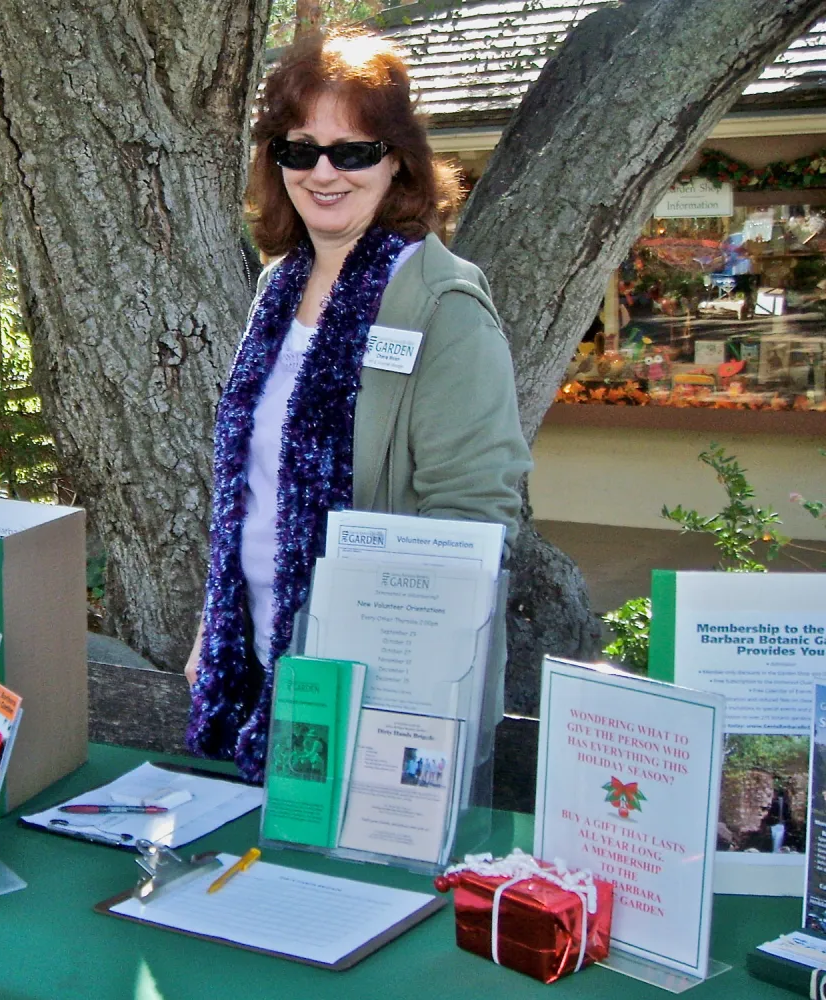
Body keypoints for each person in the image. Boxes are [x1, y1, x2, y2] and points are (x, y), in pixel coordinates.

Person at [184, 30, 532, 782]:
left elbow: (474, 518)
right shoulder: (278, 288)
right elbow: (255, 489)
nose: (323, 172)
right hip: (258, 668)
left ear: (398, 158)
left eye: (353, 151)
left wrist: (385, 662)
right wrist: (219, 624)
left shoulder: (443, 306)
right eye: (300, 148)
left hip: (384, 700)